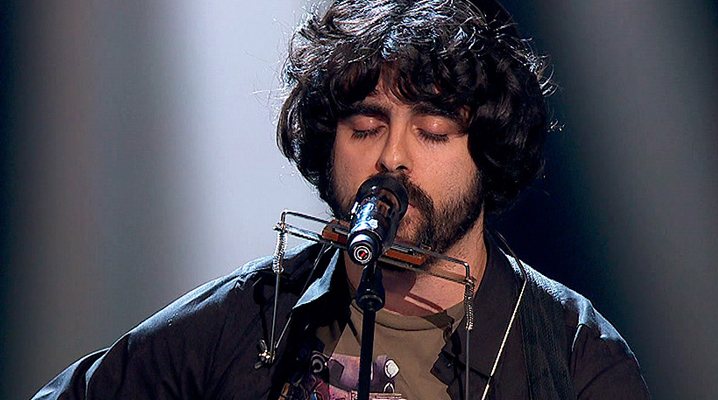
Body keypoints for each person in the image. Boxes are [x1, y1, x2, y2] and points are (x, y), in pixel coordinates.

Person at [32, 0, 650, 399]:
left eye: (433, 131)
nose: (393, 157)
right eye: (365, 127)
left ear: (486, 156)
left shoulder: (574, 356)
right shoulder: (247, 318)